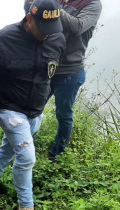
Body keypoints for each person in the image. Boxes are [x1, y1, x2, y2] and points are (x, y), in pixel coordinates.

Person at [0, 0, 66, 210]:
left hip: (36, 110)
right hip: (8, 108)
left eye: (52, 28)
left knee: (8, 149)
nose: (48, 35)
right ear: (30, 19)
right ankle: (26, 208)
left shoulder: (57, 37)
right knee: (27, 158)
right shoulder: (4, 39)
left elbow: (55, 74)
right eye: (43, 29)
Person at [47, 0, 102, 160]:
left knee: (63, 114)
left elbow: (77, 26)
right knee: (33, 108)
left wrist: (52, 6)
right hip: (47, 67)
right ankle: (24, 146)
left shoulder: (92, 4)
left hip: (70, 71)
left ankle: (57, 155)